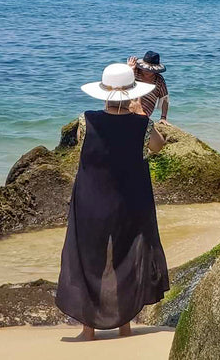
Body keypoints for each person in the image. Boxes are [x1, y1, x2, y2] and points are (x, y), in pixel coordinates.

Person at [56, 63, 169, 340]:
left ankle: (88, 330)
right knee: (126, 257)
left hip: (90, 200)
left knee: (89, 259)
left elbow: (87, 146)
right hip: (129, 201)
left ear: (104, 93)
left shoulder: (86, 120)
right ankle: (125, 327)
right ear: (133, 93)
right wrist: (140, 113)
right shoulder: (142, 122)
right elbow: (158, 146)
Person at [127, 50, 169, 120]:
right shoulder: (135, 72)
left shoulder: (159, 79)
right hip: (128, 108)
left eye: (150, 70)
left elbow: (164, 98)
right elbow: (121, 85)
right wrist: (129, 69)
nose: (147, 71)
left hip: (145, 113)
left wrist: (163, 117)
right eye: (146, 69)